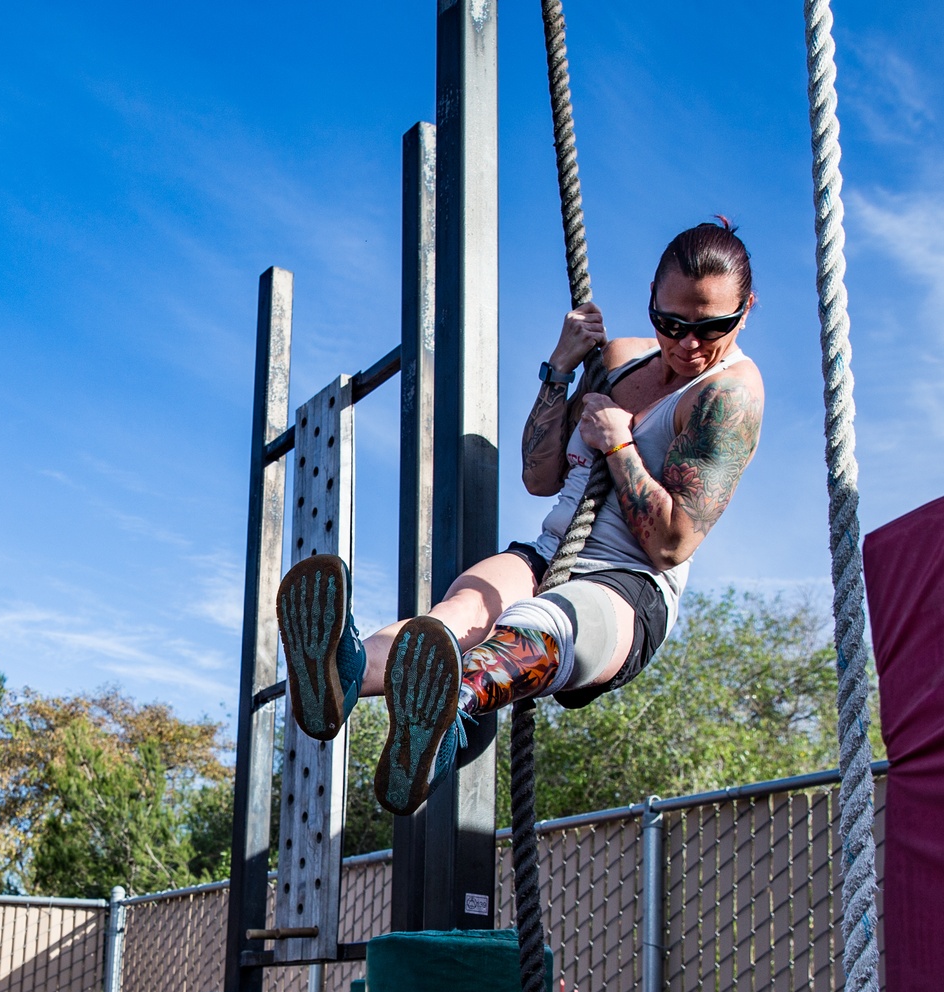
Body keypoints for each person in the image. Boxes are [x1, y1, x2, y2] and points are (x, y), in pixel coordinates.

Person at [277, 219, 764, 816]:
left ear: (746, 310)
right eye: (671, 323)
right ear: (652, 305)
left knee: (537, 621)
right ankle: (343, 672)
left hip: (628, 586)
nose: (688, 343)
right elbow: (539, 477)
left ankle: (448, 705)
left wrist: (619, 446)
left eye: (711, 326)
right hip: (550, 550)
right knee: (455, 615)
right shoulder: (619, 360)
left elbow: (672, 542)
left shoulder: (729, 394)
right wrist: (560, 369)